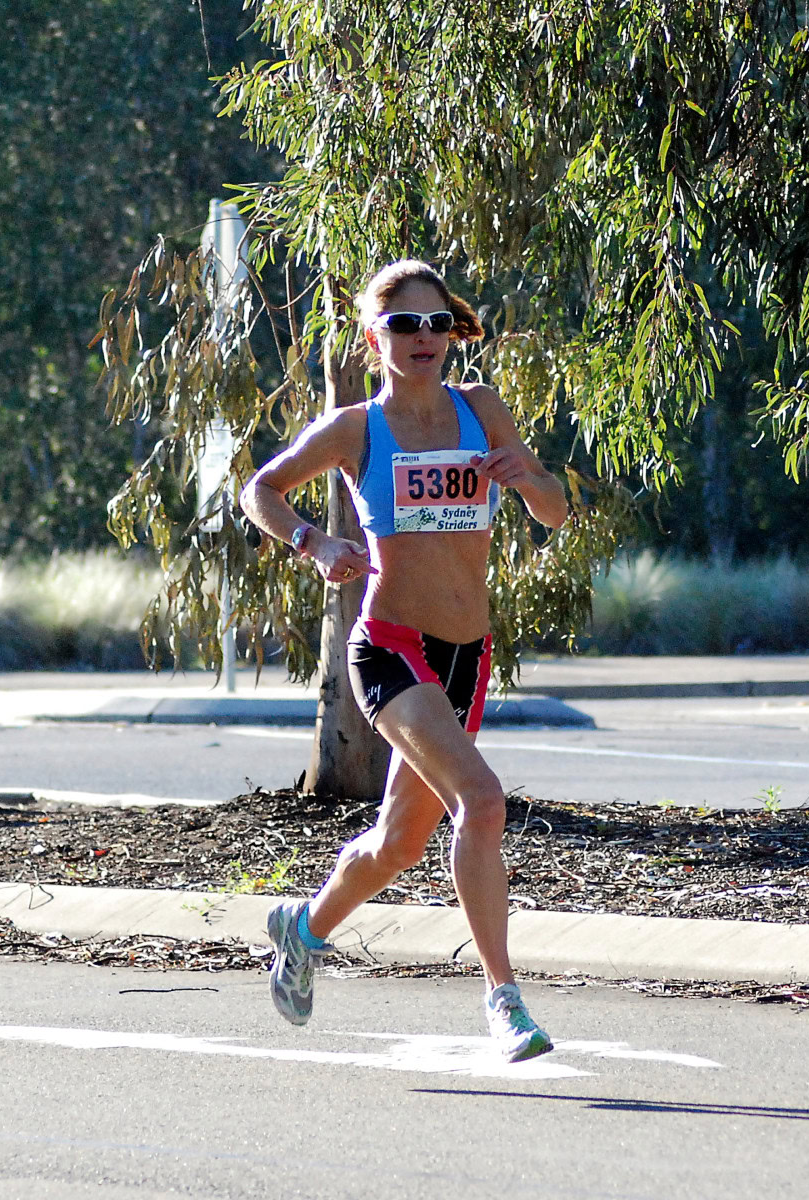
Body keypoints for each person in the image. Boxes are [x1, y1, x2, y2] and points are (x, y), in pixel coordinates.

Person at [239, 260, 568, 1062]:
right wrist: (315, 543)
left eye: (435, 324)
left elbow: (555, 514)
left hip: (468, 653)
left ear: (452, 332)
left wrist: (526, 478)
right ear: (372, 337)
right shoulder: (357, 427)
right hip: (389, 647)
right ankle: (504, 1001)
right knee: (483, 803)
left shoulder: (481, 409)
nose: (423, 339)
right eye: (402, 325)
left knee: (396, 844)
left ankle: (303, 928)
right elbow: (261, 489)